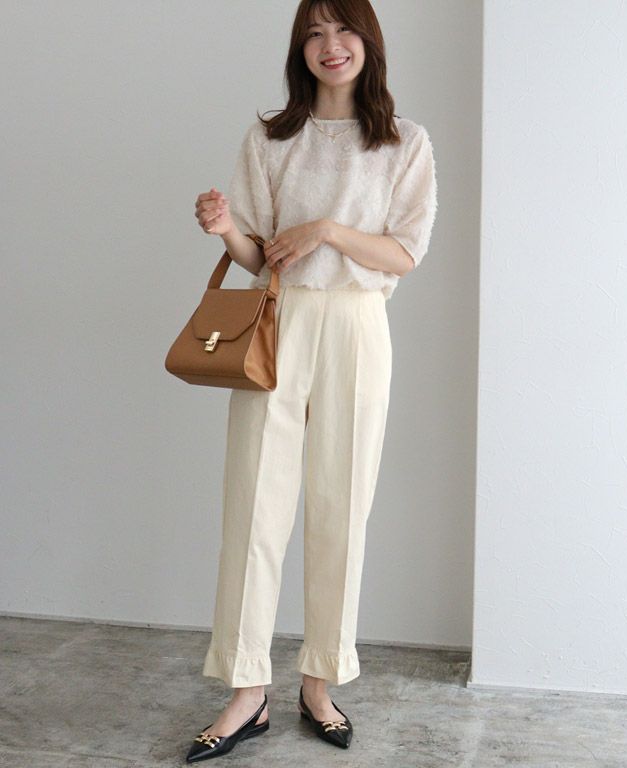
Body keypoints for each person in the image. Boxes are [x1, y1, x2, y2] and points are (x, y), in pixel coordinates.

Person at [186, 0, 437, 760]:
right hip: (278, 323)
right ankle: (247, 690)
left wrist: (327, 229)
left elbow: (405, 254)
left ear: (369, 39)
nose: (332, 45)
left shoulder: (404, 142)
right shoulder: (270, 137)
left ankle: (319, 683)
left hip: (358, 325)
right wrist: (225, 228)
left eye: (344, 28)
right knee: (254, 504)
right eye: (315, 33)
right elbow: (259, 254)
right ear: (300, 48)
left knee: (341, 504)